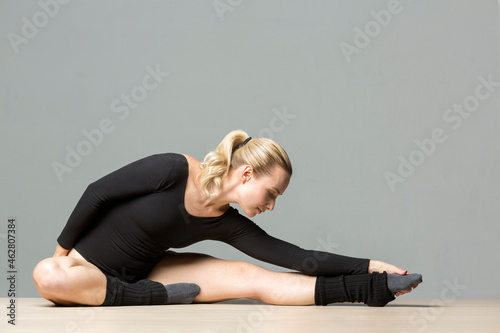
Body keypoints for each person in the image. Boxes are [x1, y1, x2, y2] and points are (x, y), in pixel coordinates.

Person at [33, 130, 422, 307]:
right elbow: (97, 192)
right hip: (84, 268)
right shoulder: (171, 169)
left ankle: (365, 291)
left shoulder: (227, 222)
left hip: (147, 269)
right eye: (271, 194)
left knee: (251, 278)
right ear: (247, 174)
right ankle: (153, 298)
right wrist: (61, 253)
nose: (271, 206)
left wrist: (369, 268)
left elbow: (294, 257)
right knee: (47, 275)